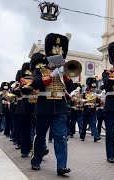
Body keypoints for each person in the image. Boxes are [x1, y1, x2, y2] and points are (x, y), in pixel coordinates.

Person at [31, 33, 73, 175]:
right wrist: (52, 75)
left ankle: (62, 166)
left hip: (60, 107)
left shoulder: (64, 71)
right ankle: (36, 160)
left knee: (61, 137)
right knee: (41, 136)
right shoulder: (40, 68)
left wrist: (64, 75)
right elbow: (36, 84)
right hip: (44, 107)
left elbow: (71, 88)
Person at [80, 77, 101, 142]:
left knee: (93, 123)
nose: (93, 89)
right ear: (89, 87)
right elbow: (81, 101)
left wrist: (99, 100)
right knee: (84, 124)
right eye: (92, 87)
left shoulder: (95, 94)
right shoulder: (84, 94)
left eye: (94, 88)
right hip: (86, 110)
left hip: (93, 110)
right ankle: (82, 136)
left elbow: (98, 102)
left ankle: (96, 136)